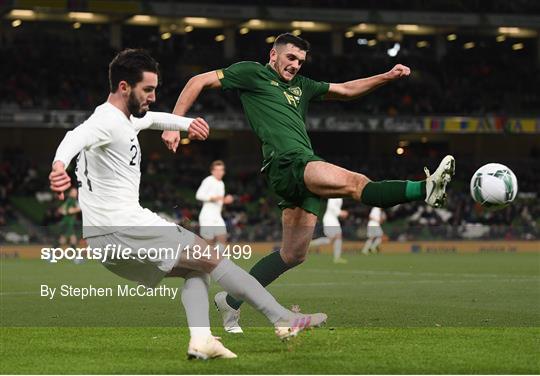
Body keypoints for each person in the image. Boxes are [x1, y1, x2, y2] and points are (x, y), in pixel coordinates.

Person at [161, 33, 455, 333]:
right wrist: (175, 124)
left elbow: (346, 90)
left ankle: (231, 302)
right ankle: (424, 188)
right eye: (290, 58)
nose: (295, 65)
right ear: (273, 55)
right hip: (288, 162)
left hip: (300, 165)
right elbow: (198, 80)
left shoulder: (303, 86)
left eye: (300, 61)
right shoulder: (252, 73)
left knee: (293, 255)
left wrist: (387, 76)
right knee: (357, 183)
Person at [48, 48, 326, 360]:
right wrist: (59, 167)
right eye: (148, 89)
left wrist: (185, 124)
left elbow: (152, 119)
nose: (153, 96)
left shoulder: (126, 120)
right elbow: (76, 135)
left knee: (196, 270)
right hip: (126, 226)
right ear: (124, 87)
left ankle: (202, 340)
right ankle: (282, 319)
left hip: (103, 241)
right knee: (211, 256)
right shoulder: (106, 121)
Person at [196, 160, 233, 249]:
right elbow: (198, 195)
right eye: (217, 170)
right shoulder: (208, 180)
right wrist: (212, 198)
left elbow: (219, 200)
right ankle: (208, 261)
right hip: (207, 217)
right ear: (212, 171)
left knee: (222, 239)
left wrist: (225, 200)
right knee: (209, 245)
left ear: (224, 172)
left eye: (221, 170)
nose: (219, 172)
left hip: (217, 217)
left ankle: (218, 261)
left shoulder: (221, 183)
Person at [309, 198, 348, 263]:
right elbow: (331, 207)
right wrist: (340, 212)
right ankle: (310, 244)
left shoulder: (340, 197)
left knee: (336, 237)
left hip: (334, 220)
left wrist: (340, 213)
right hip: (330, 220)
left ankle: (337, 258)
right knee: (332, 238)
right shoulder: (334, 197)